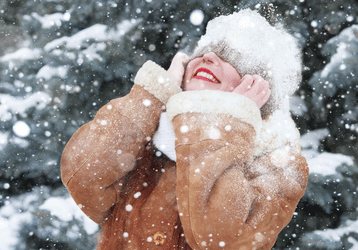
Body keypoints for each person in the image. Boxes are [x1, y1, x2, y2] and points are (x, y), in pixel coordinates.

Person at [60, 9, 309, 250]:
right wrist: (154, 93)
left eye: (232, 58)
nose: (208, 57)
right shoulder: (146, 131)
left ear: (259, 89)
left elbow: (220, 240)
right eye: (204, 52)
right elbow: (84, 181)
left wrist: (228, 121)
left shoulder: (280, 162)